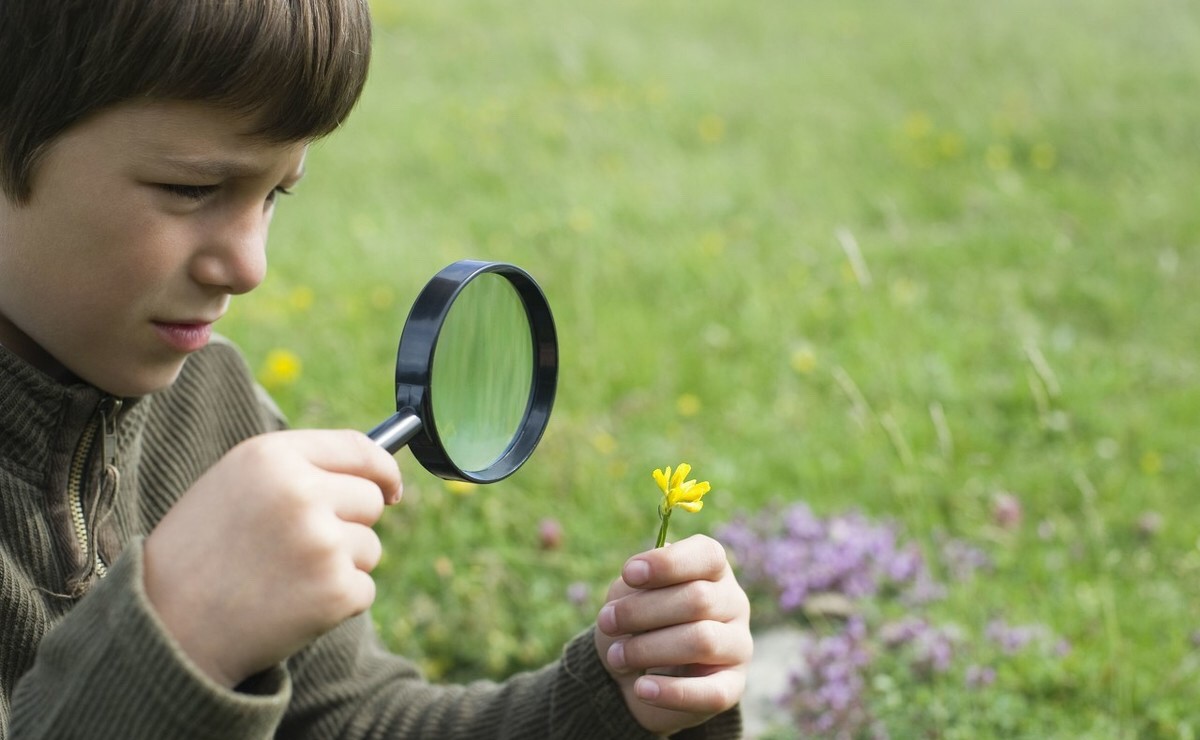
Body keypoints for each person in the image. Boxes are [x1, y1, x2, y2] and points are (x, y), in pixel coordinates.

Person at [0, 2, 753, 738]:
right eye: (190, 189)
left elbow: (345, 720)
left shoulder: (213, 407)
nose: (250, 265)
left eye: (276, 194)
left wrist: (615, 708)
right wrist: (178, 634)